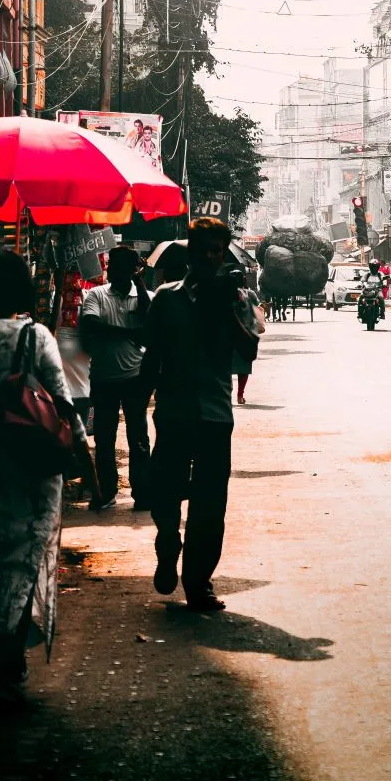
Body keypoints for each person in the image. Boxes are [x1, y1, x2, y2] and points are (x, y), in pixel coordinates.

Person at [0, 249, 100, 708]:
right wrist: (86, 460)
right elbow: (61, 403)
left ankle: (6, 652)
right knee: (26, 553)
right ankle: (4, 658)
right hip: (30, 457)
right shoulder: (34, 334)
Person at [142, 217, 256, 611]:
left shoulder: (236, 299)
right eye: (205, 248)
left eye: (218, 250)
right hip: (172, 413)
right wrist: (140, 410)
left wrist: (227, 308)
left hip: (214, 416)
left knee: (210, 503)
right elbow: (150, 356)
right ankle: (167, 545)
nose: (211, 256)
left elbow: (249, 353)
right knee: (164, 494)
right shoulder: (165, 299)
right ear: (191, 251)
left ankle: (198, 581)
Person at [80, 246, 153, 511]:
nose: (110, 269)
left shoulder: (144, 296)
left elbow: (151, 323)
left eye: (117, 265)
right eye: (111, 264)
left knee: (139, 438)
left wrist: (140, 284)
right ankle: (107, 490)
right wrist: (128, 332)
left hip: (136, 379)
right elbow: (91, 325)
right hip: (103, 378)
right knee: (104, 438)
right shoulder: (96, 295)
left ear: (132, 270)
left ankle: (143, 492)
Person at [234, 272, 261, 404]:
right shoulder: (250, 294)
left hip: (228, 336)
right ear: (244, 280)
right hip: (246, 335)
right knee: (243, 368)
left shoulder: (223, 293)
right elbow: (258, 308)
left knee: (226, 367)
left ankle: (228, 396)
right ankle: (240, 395)